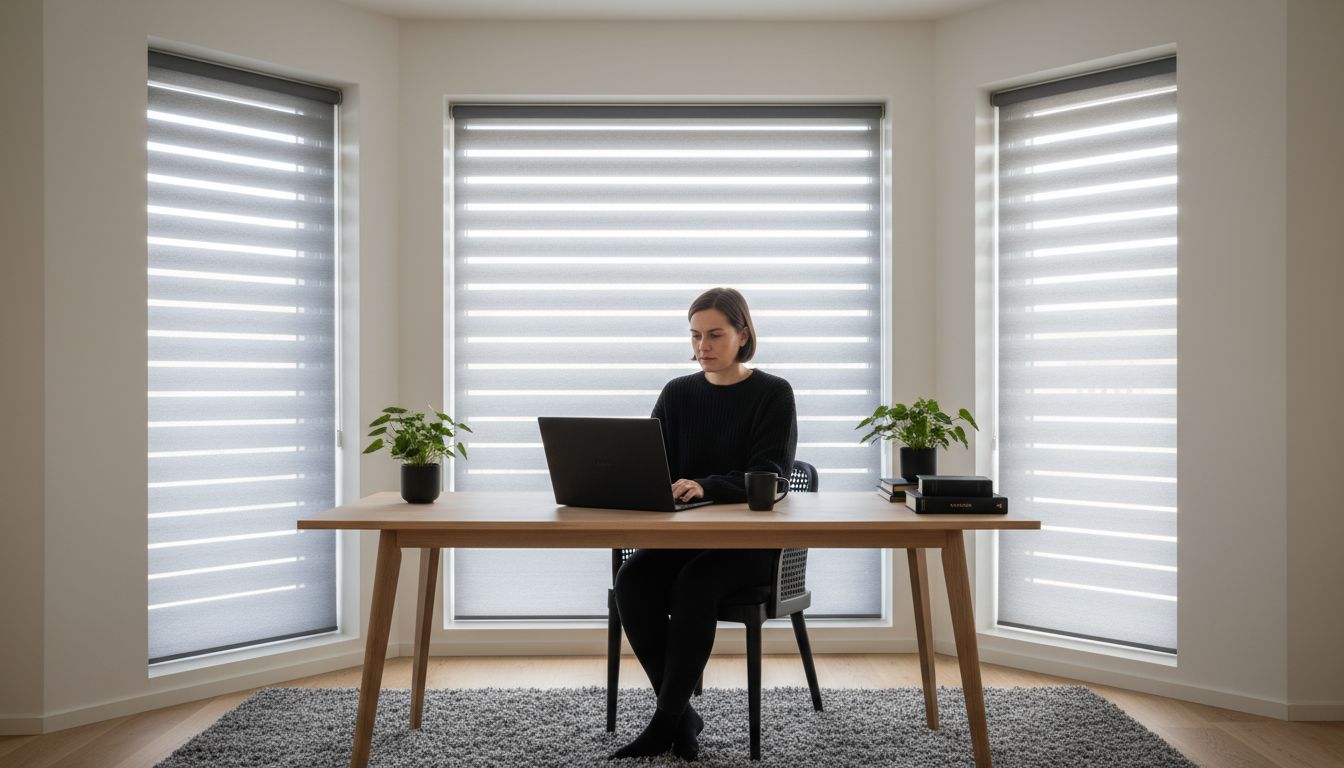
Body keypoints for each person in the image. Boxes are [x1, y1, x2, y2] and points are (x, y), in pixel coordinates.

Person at [610, 287, 797, 761]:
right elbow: (651, 462)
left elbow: (770, 474)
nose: (703, 347)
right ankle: (681, 715)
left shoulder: (773, 393)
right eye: (695, 336)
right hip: (686, 539)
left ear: (743, 335)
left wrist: (705, 485)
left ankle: (662, 724)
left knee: (696, 582)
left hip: (752, 549)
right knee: (633, 579)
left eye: (714, 335)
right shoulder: (677, 393)